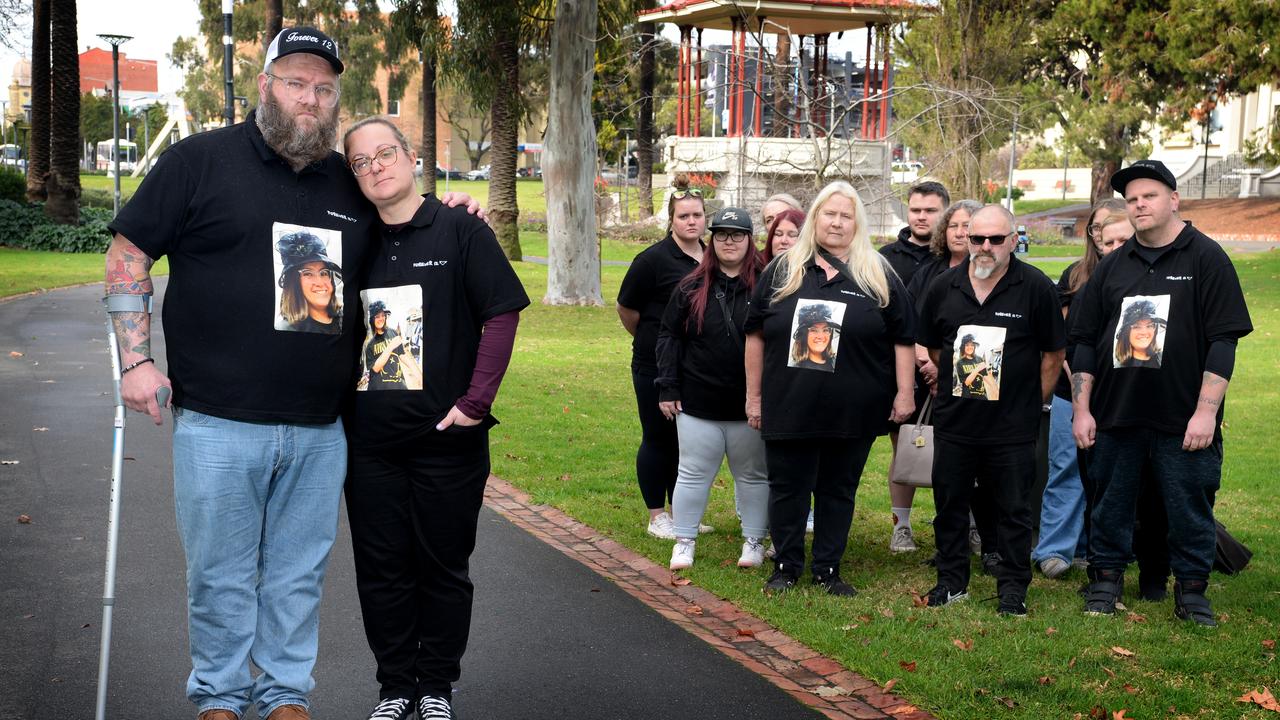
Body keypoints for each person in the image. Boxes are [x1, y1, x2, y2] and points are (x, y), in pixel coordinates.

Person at [102, 28, 479, 720]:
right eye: (296, 82)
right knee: (219, 576)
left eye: (325, 87)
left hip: (320, 427)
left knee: (297, 579)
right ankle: (218, 696)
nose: (311, 97)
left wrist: (453, 214)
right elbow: (129, 253)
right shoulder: (198, 161)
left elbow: (404, 229)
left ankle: (282, 698)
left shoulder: (349, 181)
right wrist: (135, 359)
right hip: (218, 421)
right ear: (266, 82)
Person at [342, 116, 529, 720]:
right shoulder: (352, 239)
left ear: (411, 157)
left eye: (384, 153)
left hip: (446, 442)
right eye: (360, 161)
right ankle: (396, 686)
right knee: (382, 571)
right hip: (369, 446)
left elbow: (502, 314)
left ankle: (436, 688)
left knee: (443, 569)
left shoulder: (459, 229)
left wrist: (475, 404)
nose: (375, 166)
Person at [1071, 160, 1252, 627]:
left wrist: (1206, 413)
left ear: (1174, 200)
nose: (1139, 205)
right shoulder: (1113, 267)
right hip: (1116, 415)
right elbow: (1085, 343)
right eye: (1132, 199)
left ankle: (1191, 593)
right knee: (1109, 503)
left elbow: (1223, 340)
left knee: (1190, 505)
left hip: (1182, 419)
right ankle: (1105, 583)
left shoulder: (1205, 258)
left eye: (1149, 196)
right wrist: (1083, 410)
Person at [744, 181, 916, 596]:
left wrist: (905, 393)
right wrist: (753, 397)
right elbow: (755, 336)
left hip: (852, 408)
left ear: (857, 222)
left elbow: (903, 338)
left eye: (846, 214)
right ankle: (786, 566)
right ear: (815, 218)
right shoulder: (782, 270)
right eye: (829, 213)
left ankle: (827, 570)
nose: (837, 222)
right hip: (790, 403)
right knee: (788, 488)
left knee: (839, 489)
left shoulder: (878, 273)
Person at [916, 204, 1066, 616]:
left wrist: (1031, 403)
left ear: (1013, 241)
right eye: (975, 238)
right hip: (955, 422)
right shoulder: (943, 287)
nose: (984, 246)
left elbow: (1053, 354)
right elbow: (933, 347)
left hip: (1012, 426)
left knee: (1014, 511)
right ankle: (951, 582)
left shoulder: (1035, 287)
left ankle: (1013, 589)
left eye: (995, 239)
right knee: (949, 506)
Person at [656, 207, 769, 571]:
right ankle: (684, 540)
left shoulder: (768, 284)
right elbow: (669, 336)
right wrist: (667, 387)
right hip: (698, 401)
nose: (729, 241)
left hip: (749, 405)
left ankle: (754, 540)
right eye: (721, 234)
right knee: (691, 474)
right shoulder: (691, 286)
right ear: (712, 240)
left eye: (737, 234)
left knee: (752, 476)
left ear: (751, 240)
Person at [1033, 211, 1131, 580]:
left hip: (1120, 394)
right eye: (1106, 238)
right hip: (1070, 390)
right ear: (1096, 239)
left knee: (1110, 473)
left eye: (1122, 239)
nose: (1114, 246)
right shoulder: (1076, 276)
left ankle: (1093, 548)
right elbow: (1064, 343)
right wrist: (1080, 395)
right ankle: (1055, 549)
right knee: (1067, 469)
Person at [617, 176, 706, 539]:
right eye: (683, 216)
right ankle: (657, 516)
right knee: (659, 437)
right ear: (671, 220)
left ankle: (682, 511)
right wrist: (653, 341)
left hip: (697, 366)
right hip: (654, 366)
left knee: (689, 441)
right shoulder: (652, 260)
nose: (691, 221)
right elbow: (627, 309)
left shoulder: (713, 256)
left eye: (697, 215)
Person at [880, 180, 950, 552]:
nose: (922, 217)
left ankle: (957, 525)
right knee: (904, 447)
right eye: (916, 210)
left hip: (949, 368)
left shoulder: (953, 255)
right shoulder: (886, 257)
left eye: (931, 211)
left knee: (956, 450)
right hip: (901, 370)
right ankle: (900, 526)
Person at [275, 231, 343, 334]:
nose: (320, 283)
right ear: (294, 283)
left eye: (324, 273)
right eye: (308, 274)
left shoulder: (345, 319)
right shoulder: (287, 329)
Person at [1114, 299, 1166, 367]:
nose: (1144, 332)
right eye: (1136, 327)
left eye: (1149, 325)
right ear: (1126, 333)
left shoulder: (1163, 358)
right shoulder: (1118, 368)